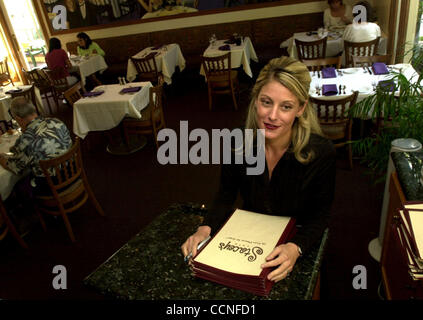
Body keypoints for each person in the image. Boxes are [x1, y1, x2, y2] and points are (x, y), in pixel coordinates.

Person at [181, 57, 336, 283]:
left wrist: (296, 248)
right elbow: (226, 194)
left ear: (301, 108)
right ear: (255, 101)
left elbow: (320, 216)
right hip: (251, 236)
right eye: (266, 102)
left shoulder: (322, 153)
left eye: (286, 107)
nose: (272, 116)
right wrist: (205, 228)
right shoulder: (237, 142)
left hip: (297, 238)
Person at [0, 97, 72, 197]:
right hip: (72, 171)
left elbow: (15, 167)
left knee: (18, 187)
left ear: (18, 118)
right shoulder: (56, 121)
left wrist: (2, 159)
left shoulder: (26, 140)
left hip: (52, 185)